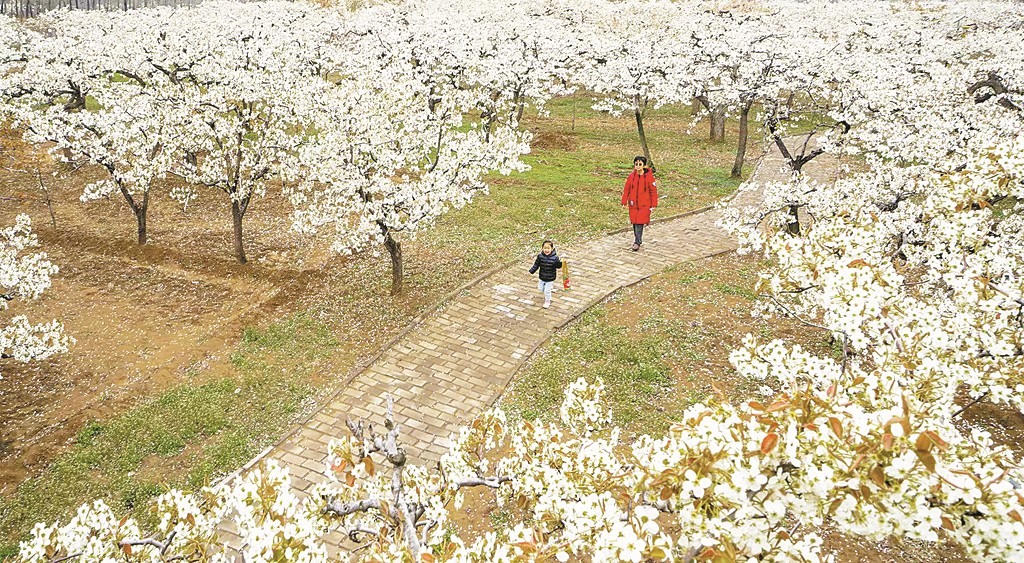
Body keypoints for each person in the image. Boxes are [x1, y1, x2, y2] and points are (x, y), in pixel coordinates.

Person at [621, 155, 659, 251]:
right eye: (636, 164)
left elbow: (653, 191)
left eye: (640, 164)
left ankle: (637, 241)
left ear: (644, 165)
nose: (638, 166)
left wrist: (654, 204)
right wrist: (624, 201)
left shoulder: (649, 178)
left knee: (639, 222)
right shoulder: (631, 177)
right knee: (634, 222)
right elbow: (627, 189)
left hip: (644, 204)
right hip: (633, 204)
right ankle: (637, 239)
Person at [529, 240, 562, 309]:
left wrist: (559, 262)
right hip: (542, 276)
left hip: (550, 277)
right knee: (540, 288)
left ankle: (547, 301)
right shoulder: (540, 256)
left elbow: (558, 266)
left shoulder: (555, 258)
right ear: (542, 248)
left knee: (547, 291)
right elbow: (536, 264)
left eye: (548, 248)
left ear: (552, 249)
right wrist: (532, 270)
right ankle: (549, 289)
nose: (546, 250)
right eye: (545, 248)